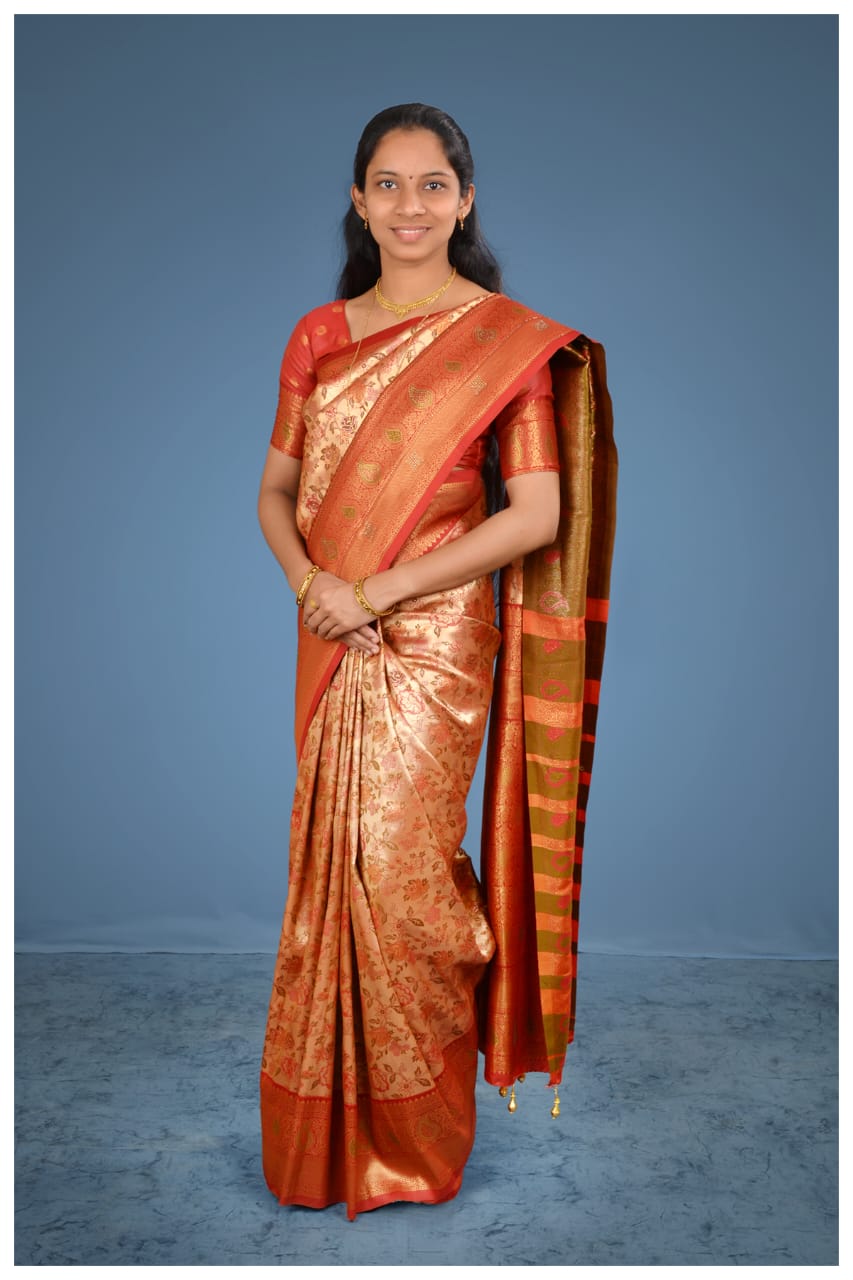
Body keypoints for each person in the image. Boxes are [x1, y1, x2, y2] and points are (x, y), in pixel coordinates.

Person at [257, 103, 618, 1221]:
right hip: (332, 628)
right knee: (331, 874)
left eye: (430, 185)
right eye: (387, 183)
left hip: (434, 634)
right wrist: (314, 589)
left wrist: (375, 591)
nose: (408, 205)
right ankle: (328, 1139)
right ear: (358, 202)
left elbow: (536, 514)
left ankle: (416, 1137)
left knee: (400, 869)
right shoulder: (319, 336)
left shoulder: (502, 343)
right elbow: (274, 495)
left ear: (463, 203)